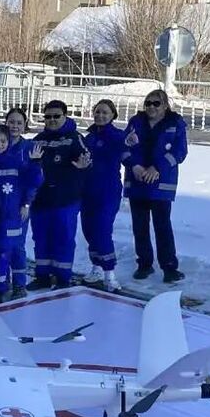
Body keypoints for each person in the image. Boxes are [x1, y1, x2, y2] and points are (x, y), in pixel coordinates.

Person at [124, 89, 189, 283]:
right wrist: (134, 165)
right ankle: (144, 264)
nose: (151, 107)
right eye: (148, 103)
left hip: (161, 185)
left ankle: (169, 267)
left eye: (156, 103)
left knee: (162, 227)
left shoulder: (175, 123)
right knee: (140, 227)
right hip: (137, 182)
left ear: (165, 105)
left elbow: (180, 151)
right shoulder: (136, 123)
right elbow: (125, 147)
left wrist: (157, 168)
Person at [29, 100, 91, 290]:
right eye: (48, 117)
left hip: (65, 200)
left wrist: (84, 165)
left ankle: (63, 277)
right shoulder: (38, 139)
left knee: (63, 238)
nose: (52, 120)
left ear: (65, 116)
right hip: (41, 200)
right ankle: (43, 276)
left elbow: (86, 160)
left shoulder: (74, 138)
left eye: (56, 116)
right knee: (40, 239)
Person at [0, 124, 40, 304]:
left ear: (8, 143)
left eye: (3, 141)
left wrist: (26, 203)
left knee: (5, 252)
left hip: (10, 216)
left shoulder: (16, 162)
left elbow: (33, 182)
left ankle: (3, 289)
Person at [80, 99, 127, 291]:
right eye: (97, 112)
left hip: (108, 192)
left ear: (113, 115)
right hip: (87, 191)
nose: (100, 115)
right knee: (89, 231)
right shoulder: (88, 138)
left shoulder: (118, 136)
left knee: (102, 230)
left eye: (105, 113)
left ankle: (110, 273)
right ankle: (96, 267)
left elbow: (129, 155)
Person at [3, 107, 34, 297]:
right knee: (1, 244)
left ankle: (19, 284)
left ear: (24, 126)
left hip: (19, 205)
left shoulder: (28, 148)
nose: (14, 126)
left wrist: (27, 203)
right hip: (0, 205)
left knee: (17, 245)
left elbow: (34, 178)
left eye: (19, 123)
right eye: (11, 122)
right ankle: (2, 281)